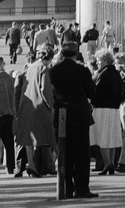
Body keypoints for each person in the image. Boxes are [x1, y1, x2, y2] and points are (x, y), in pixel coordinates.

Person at [49, 40, 97, 200]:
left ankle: (67, 187)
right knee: (81, 153)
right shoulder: (82, 70)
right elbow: (92, 92)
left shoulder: (54, 70)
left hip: (61, 113)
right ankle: (82, 188)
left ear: (62, 53)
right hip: (78, 113)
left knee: (65, 153)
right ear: (77, 53)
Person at [16, 46, 55, 176]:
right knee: (45, 136)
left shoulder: (30, 67)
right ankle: (48, 165)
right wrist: (51, 105)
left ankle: (31, 165)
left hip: (26, 104)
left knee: (28, 137)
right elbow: (45, 89)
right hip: (40, 106)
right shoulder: (44, 69)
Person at [90, 49, 123, 175]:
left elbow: (97, 92)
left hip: (102, 108)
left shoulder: (102, 74)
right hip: (114, 109)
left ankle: (107, 163)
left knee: (102, 138)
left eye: (99, 60)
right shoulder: (116, 73)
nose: (97, 63)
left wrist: (91, 100)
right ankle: (111, 163)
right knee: (112, 138)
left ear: (104, 60)